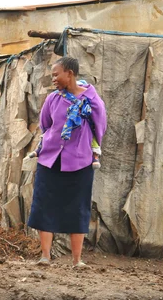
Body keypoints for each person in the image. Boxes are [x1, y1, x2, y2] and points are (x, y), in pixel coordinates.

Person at [26, 57, 107, 268]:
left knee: (78, 207)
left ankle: (77, 260)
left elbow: (100, 127)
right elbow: (46, 125)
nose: (53, 79)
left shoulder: (92, 101)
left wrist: (88, 149)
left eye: (56, 74)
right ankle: (45, 256)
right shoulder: (53, 99)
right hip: (50, 160)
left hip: (80, 162)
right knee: (44, 205)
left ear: (69, 73)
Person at [29, 80, 102, 169]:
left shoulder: (90, 99)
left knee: (93, 139)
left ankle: (95, 156)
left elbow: (100, 124)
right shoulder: (54, 97)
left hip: (79, 160)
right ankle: (39, 149)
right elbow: (45, 123)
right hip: (51, 158)